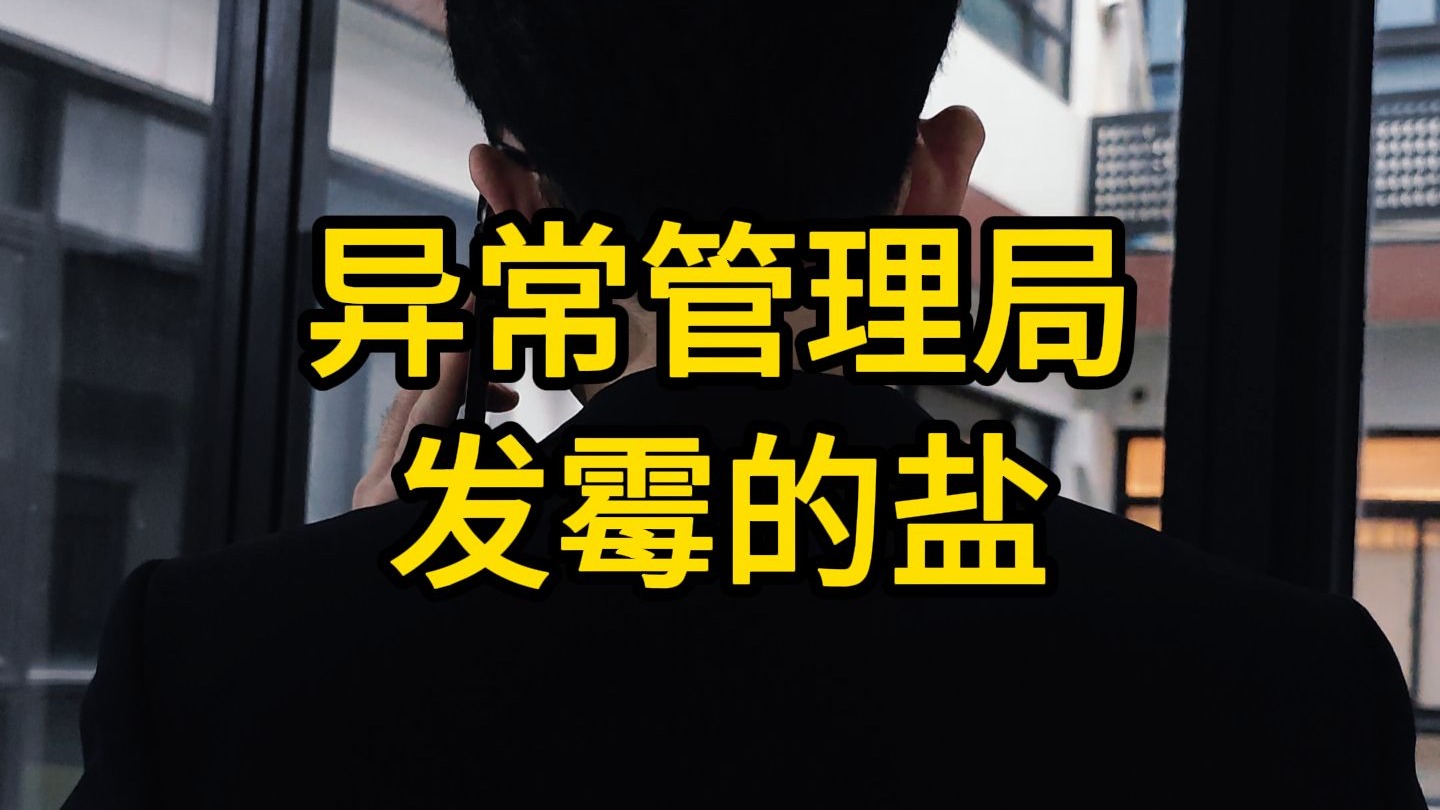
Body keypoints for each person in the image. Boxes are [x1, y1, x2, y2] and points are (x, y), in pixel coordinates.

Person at [65, 1, 1425, 807]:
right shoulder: (1286, 692)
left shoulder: (215, 673)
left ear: (509, 201)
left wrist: (385, 563)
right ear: (938, 182)